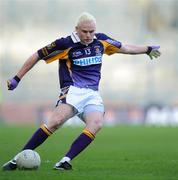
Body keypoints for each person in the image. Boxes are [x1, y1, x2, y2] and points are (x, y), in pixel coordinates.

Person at [2, 12, 161, 171]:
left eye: (91, 31)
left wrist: (147, 49)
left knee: (96, 124)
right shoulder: (65, 44)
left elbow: (125, 47)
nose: (89, 35)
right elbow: (37, 55)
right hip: (72, 91)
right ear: (76, 29)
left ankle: (65, 160)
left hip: (92, 94)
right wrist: (17, 78)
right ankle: (16, 159)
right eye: (85, 31)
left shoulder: (101, 41)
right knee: (55, 122)